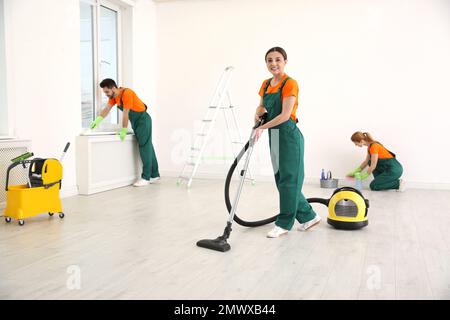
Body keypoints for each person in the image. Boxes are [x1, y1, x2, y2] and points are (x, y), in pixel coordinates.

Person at [254, 47, 321, 238]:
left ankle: (284, 224)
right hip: (273, 135)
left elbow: (284, 115)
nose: (273, 63)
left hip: (289, 135)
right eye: (269, 60)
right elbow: (260, 107)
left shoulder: (290, 83)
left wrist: (262, 127)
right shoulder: (266, 84)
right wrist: (256, 120)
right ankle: (309, 216)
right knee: (280, 179)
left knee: (289, 181)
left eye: (277, 59)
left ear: (285, 61)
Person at [90, 79, 160, 187]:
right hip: (136, 122)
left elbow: (126, 113)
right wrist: (98, 120)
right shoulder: (114, 98)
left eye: (107, 92)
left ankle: (146, 177)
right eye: (104, 92)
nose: (106, 94)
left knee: (144, 147)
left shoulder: (127, 93)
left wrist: (123, 129)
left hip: (143, 120)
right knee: (148, 146)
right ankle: (154, 175)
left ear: (114, 88)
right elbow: (107, 109)